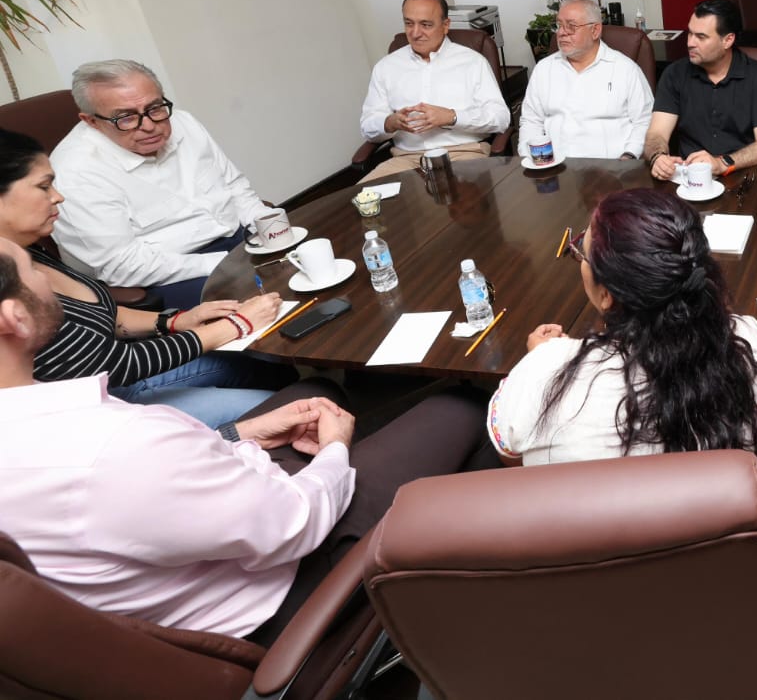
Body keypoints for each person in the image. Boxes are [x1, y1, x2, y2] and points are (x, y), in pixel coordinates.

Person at [0, 236, 497, 643]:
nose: (46, 276)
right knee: (461, 405)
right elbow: (295, 523)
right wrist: (335, 450)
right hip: (281, 595)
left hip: (193, 548)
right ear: (12, 318)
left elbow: (150, 485)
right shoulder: (121, 442)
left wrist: (241, 435)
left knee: (316, 391)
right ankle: (462, 584)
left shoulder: (55, 427)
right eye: (32, 270)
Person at [487, 188, 757, 466]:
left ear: (606, 294)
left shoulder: (547, 371)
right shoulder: (751, 340)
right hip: (726, 513)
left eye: (581, 251)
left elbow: (508, 452)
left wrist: (543, 358)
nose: (579, 256)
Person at [1, 129, 291, 427]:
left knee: (266, 365)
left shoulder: (27, 248)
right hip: (108, 406)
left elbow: (102, 315)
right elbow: (113, 365)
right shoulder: (8, 286)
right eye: (44, 186)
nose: (58, 197)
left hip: (125, 373)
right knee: (292, 407)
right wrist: (236, 325)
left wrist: (175, 321)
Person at [50, 59, 279, 309]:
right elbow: (122, 265)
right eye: (125, 118)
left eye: (155, 107)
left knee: (301, 265)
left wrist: (271, 229)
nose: (149, 126)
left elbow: (234, 186)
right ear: (91, 121)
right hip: (166, 276)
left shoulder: (183, 122)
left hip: (238, 243)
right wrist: (228, 263)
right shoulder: (76, 172)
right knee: (268, 302)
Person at [359, 0, 511, 181]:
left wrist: (452, 117)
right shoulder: (386, 67)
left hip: (463, 154)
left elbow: (500, 118)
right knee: (363, 197)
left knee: (461, 198)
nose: (415, 33)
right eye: (409, 23)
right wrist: (389, 123)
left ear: (445, 25)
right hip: (406, 160)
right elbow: (367, 126)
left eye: (425, 25)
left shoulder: (473, 62)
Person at [644, 0, 757, 181]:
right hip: (690, 177)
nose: (690, 43)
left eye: (701, 37)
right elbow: (656, 134)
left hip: (744, 176)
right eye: (690, 33)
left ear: (728, 40)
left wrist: (722, 163)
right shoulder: (674, 74)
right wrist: (658, 157)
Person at [518, 0, 652, 160]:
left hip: (612, 168)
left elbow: (645, 121)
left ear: (595, 30)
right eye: (559, 25)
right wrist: (530, 158)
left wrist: (628, 156)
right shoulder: (544, 69)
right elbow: (531, 121)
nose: (561, 32)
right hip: (555, 166)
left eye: (571, 26)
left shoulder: (625, 69)